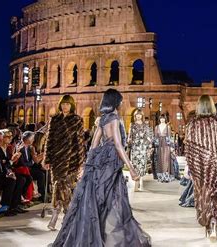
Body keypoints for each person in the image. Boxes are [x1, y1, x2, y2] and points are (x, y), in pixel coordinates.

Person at [52, 89, 151, 246]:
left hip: (99, 163)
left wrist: (87, 165)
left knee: (95, 201)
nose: (121, 103)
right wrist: (131, 168)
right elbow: (118, 145)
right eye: (120, 100)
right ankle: (106, 239)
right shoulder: (114, 119)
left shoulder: (103, 119)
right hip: (110, 163)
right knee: (114, 201)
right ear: (114, 102)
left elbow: (93, 144)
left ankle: (96, 237)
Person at [185, 95, 217, 241]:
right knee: (216, 194)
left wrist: (188, 167)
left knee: (203, 194)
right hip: (216, 164)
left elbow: (189, 148)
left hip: (199, 165)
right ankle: (213, 223)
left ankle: (207, 223)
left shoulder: (192, 124)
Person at [43, 95, 86, 230]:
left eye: (67, 104)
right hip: (56, 159)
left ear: (71, 105)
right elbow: (49, 141)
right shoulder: (54, 120)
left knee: (64, 186)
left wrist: (80, 162)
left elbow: (79, 142)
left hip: (71, 159)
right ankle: (67, 215)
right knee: (59, 185)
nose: (65, 106)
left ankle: (57, 216)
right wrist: (47, 159)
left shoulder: (77, 120)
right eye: (63, 104)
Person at [127, 109, 153, 191]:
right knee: (135, 165)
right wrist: (129, 144)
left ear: (142, 115)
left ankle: (138, 182)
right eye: (137, 115)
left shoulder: (145, 125)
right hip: (135, 147)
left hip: (142, 148)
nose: (138, 116)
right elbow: (129, 136)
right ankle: (136, 184)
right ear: (135, 116)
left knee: (141, 165)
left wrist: (149, 146)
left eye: (140, 114)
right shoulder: (132, 125)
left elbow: (148, 136)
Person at [154, 114, 175, 183]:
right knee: (160, 161)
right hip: (159, 146)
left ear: (165, 119)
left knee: (166, 161)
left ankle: (166, 177)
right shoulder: (156, 127)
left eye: (163, 118)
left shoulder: (167, 127)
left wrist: (171, 147)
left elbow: (169, 137)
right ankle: (161, 177)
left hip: (166, 145)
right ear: (159, 119)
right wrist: (155, 146)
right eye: (161, 118)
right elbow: (155, 137)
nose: (162, 119)